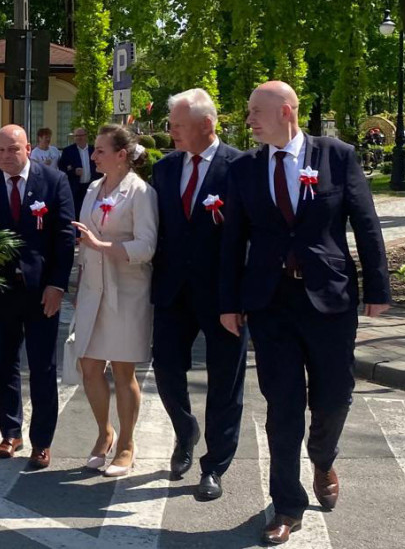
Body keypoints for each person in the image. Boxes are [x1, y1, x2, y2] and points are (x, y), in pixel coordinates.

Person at [220, 81, 390, 545]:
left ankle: (323, 455)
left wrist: (378, 288)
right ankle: (286, 505)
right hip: (270, 305)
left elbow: (366, 223)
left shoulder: (336, 155)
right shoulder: (245, 169)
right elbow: (233, 239)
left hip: (330, 301)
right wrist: (229, 303)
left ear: (287, 112)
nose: (249, 118)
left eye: (257, 111)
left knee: (334, 397)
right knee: (283, 407)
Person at [150, 89, 245, 501]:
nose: (171, 131)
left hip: (223, 295)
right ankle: (184, 428)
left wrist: (240, 298)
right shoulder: (166, 168)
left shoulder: (241, 167)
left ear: (207, 125)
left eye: (179, 125)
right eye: (171, 123)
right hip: (172, 290)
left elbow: (248, 237)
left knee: (225, 382)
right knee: (167, 370)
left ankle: (215, 465)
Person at [0, 125, 76, 469]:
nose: (5, 156)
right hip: (0, 293)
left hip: (42, 291)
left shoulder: (53, 181)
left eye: (12, 150)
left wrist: (57, 286)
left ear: (28, 148)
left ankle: (42, 441)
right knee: (4, 365)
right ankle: (10, 433)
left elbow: (63, 238)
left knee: (43, 367)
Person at [66, 124, 158, 478]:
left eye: (100, 150)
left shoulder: (141, 193)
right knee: (89, 366)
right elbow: (85, 239)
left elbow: (147, 247)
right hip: (92, 289)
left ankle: (127, 444)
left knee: (123, 371)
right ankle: (105, 432)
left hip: (127, 293)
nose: (93, 155)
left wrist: (103, 246)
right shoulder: (92, 188)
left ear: (122, 155)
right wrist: (78, 283)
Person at [59, 127, 101, 217]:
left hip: (91, 186)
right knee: (77, 212)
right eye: (76, 136)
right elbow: (62, 169)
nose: (79, 138)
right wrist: (73, 172)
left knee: (91, 211)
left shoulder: (93, 150)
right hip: (76, 188)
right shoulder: (68, 151)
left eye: (81, 135)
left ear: (86, 136)